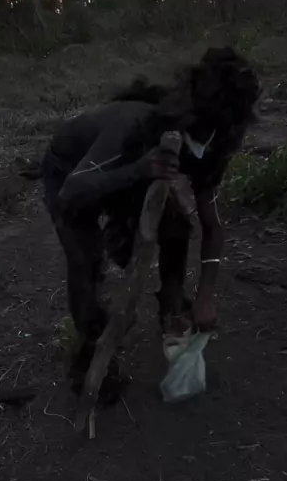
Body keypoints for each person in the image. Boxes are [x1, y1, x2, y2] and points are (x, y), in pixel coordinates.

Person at [41, 46, 261, 400]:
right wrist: (140, 170)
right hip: (71, 172)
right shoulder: (135, 124)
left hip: (133, 171)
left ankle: (171, 309)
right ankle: (89, 357)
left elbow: (211, 225)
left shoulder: (214, 141)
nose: (207, 144)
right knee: (86, 262)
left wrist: (205, 297)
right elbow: (72, 191)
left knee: (176, 226)